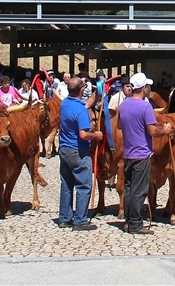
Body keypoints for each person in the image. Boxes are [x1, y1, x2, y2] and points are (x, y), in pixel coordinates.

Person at [119, 72, 173, 235]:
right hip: (141, 153)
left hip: (128, 152)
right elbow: (151, 131)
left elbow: (120, 127)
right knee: (139, 190)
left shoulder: (124, 105)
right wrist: (164, 130)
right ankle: (135, 223)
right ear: (144, 89)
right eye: (147, 86)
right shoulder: (145, 106)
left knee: (129, 188)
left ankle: (129, 220)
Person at [57, 77, 103, 231]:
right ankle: (80, 220)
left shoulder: (65, 104)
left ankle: (64, 218)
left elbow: (86, 103)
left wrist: (98, 92)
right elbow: (83, 134)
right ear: (82, 90)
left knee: (67, 185)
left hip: (64, 149)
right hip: (78, 151)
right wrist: (96, 136)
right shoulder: (81, 111)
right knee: (84, 186)